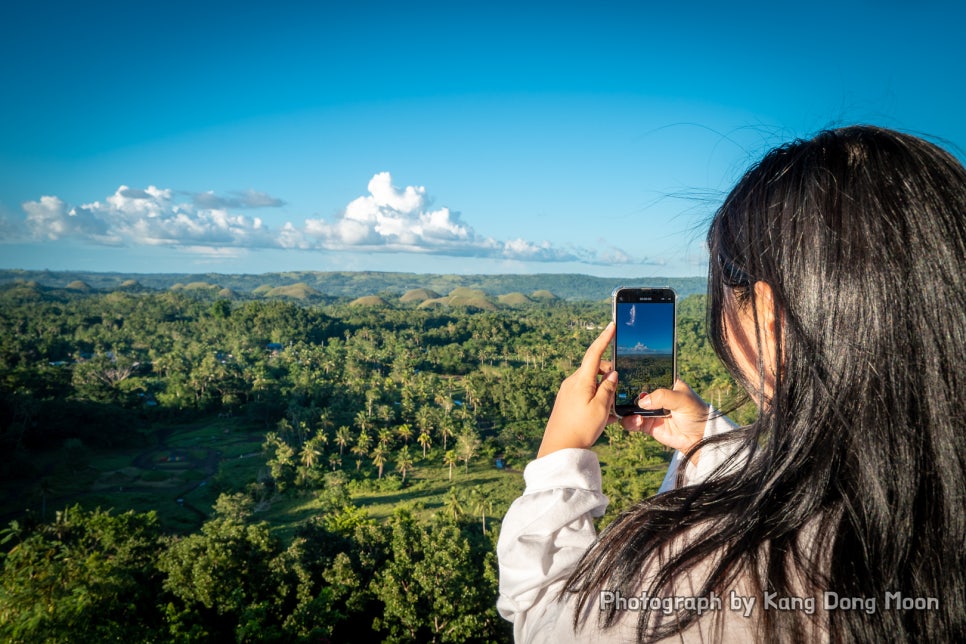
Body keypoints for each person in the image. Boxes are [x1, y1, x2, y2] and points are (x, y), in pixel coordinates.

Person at [497, 125, 966, 642]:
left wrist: (557, 461)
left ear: (769, 315)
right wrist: (708, 444)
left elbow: (548, 620)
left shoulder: (712, 579)